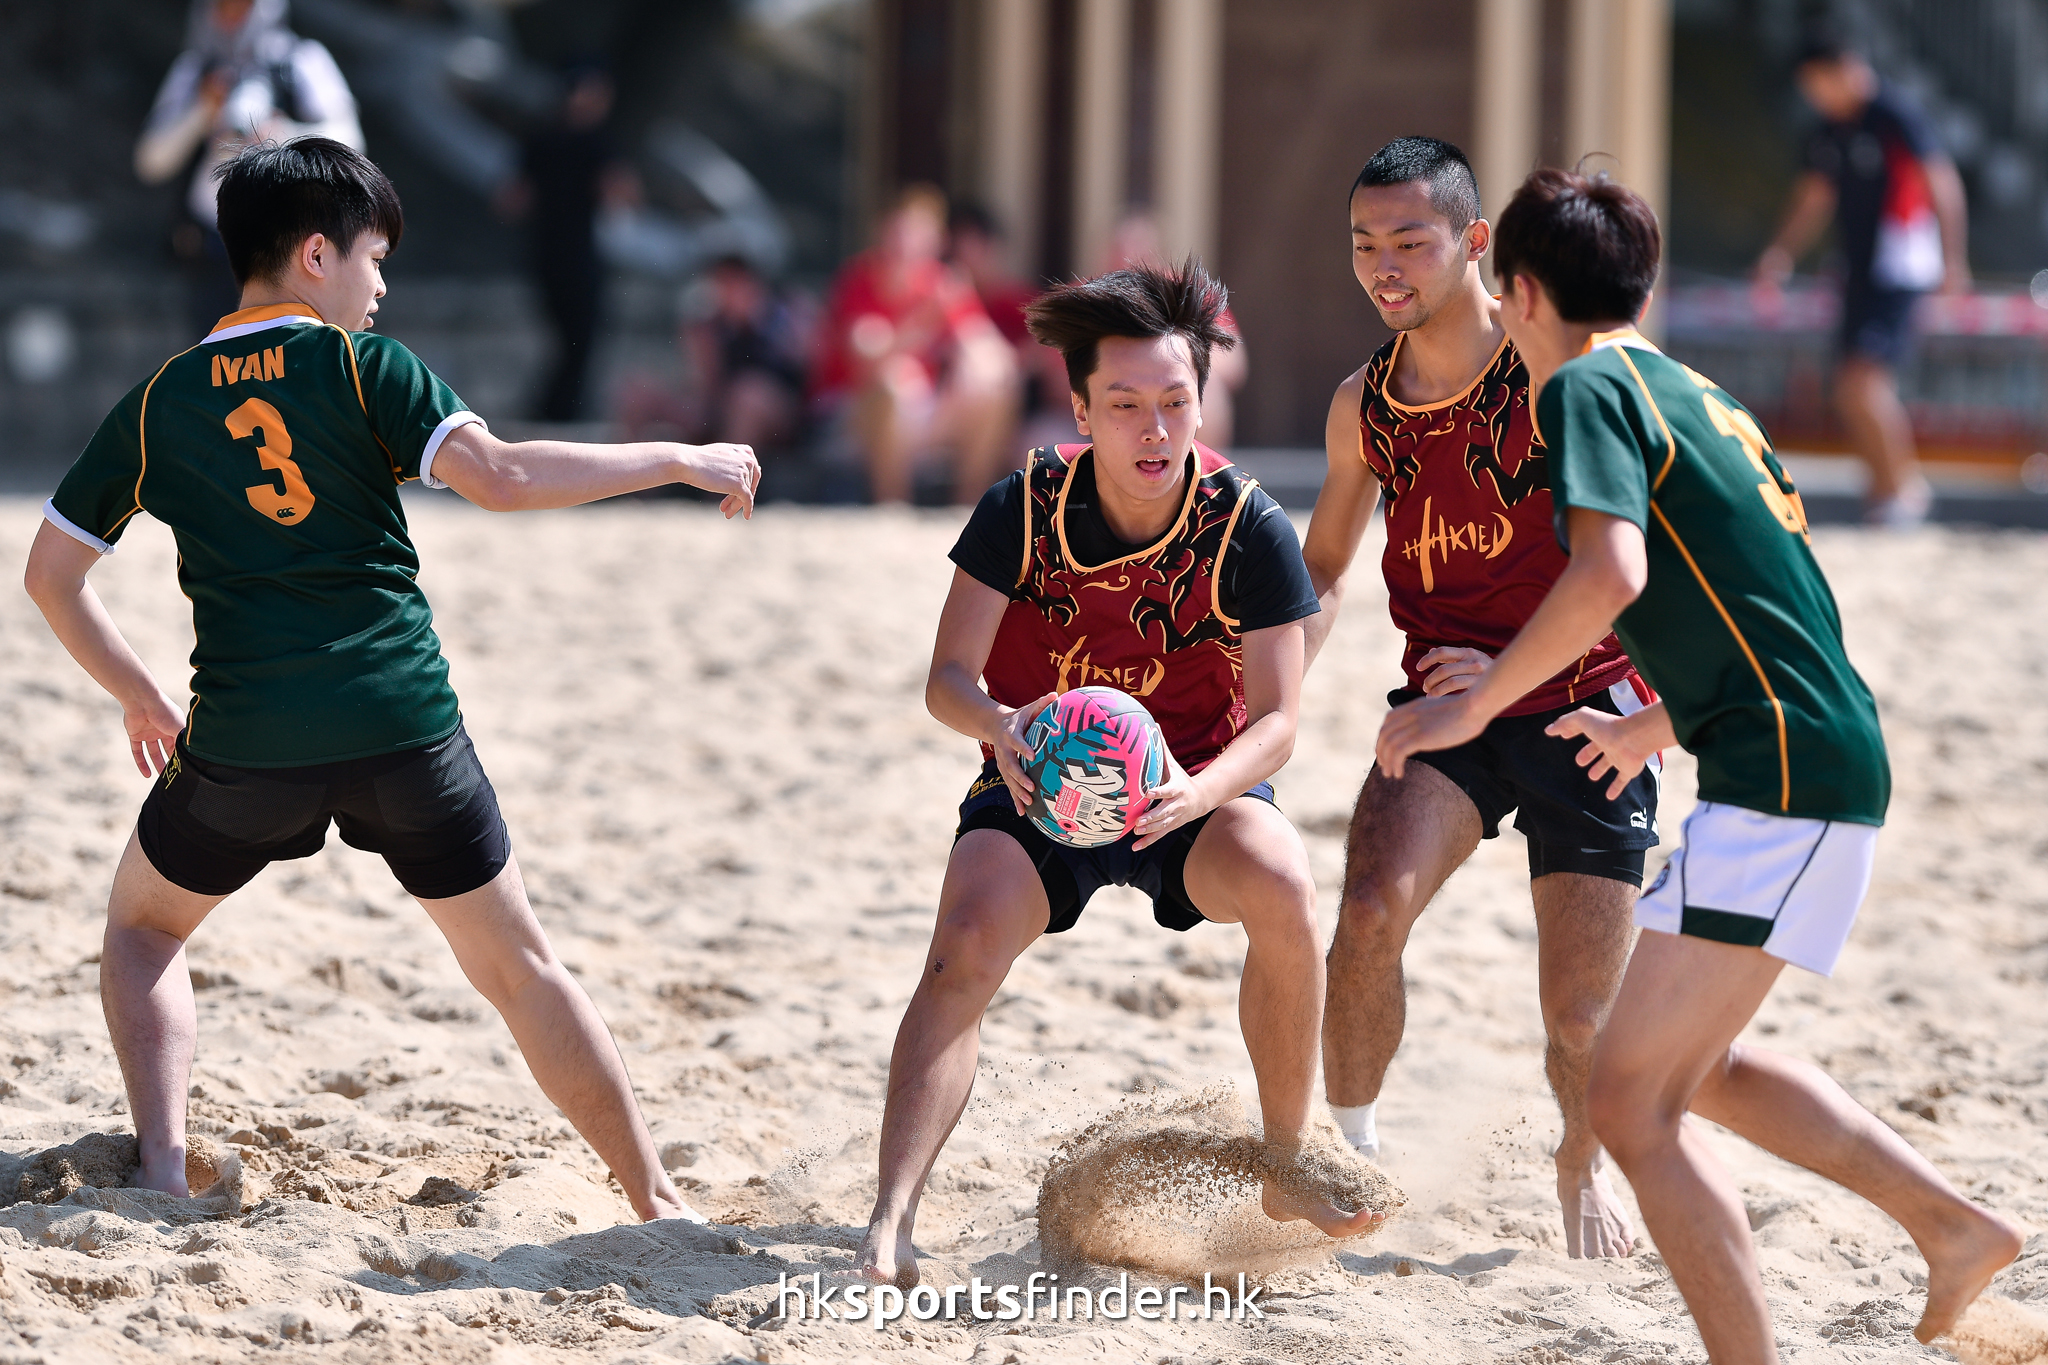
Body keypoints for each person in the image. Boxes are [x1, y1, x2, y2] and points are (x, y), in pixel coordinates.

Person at [23, 137, 760, 1221]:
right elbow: (500, 478)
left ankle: (166, 1177)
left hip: (245, 744)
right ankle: (657, 1202)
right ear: (315, 255)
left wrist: (137, 694)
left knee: (140, 935)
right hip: (405, 729)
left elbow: (52, 578)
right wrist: (674, 458)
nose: (382, 284)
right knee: (522, 972)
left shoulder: (156, 403)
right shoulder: (369, 369)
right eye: (374, 257)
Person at [1379, 166, 2021, 1361]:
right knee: (1694, 1068)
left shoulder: (1580, 391)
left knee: (1632, 1103)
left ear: (1516, 290)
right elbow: (1769, 611)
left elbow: (1609, 577)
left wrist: (1470, 712)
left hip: (1785, 781)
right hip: (1800, 757)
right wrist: (1645, 727)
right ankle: (1950, 1228)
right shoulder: (1696, 394)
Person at [856, 260, 1382, 1288]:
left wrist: (1199, 790)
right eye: (1126, 405)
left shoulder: (1245, 525)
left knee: (1281, 880)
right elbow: (945, 680)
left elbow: (1276, 724)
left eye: (1174, 404)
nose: (1153, 429)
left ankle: (1288, 1160)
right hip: (1037, 782)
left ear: (1201, 402)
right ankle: (890, 1218)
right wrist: (1002, 726)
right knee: (962, 945)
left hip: (1186, 788)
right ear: (1081, 407)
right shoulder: (1024, 504)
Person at [1301, 138, 1653, 1259]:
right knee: (1363, 918)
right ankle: (1349, 1159)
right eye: (1364, 244)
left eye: (1409, 241)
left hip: (1589, 714)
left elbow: (1634, 567)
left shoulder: (1562, 369)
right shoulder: (1363, 404)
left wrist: (1522, 681)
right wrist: (1266, 694)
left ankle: (1578, 1157)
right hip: (1442, 713)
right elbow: (1318, 570)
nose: (1383, 266)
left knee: (1576, 1019)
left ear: (1473, 243)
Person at [1754, 36, 1970, 528]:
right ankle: (1885, 490)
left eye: (1818, 84)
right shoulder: (1828, 131)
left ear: (1845, 69)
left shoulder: (1895, 115)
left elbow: (1942, 181)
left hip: (1901, 268)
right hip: (1857, 270)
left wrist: (1952, 260)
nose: (1815, 95)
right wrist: (1780, 252)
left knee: (1862, 382)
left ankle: (1904, 489)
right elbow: (1813, 197)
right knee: (1850, 386)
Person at [135, 0, 362, 340]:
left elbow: (351, 142)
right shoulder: (196, 69)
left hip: (289, 243)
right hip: (215, 247)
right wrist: (202, 113)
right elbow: (151, 162)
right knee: (217, 361)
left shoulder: (299, 59)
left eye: (241, 5)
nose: (230, 16)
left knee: (286, 354)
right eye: (221, 6)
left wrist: (282, 134)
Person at [811, 186, 1019, 504]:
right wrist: (920, 325)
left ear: (936, 242)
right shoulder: (859, 278)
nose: (905, 244)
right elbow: (866, 357)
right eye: (899, 233)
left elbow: (989, 349)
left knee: (992, 381)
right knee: (897, 381)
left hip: (918, 416)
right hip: (848, 414)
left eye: (916, 236)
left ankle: (969, 505)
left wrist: (974, 364)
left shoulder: (943, 283)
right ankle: (892, 503)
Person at [497, 64, 638, 423]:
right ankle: (559, 409)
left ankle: (556, 405)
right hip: (577, 254)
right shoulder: (597, 142)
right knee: (581, 336)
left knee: (567, 336)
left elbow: (512, 200)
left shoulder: (539, 137)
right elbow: (620, 193)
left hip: (543, 252)